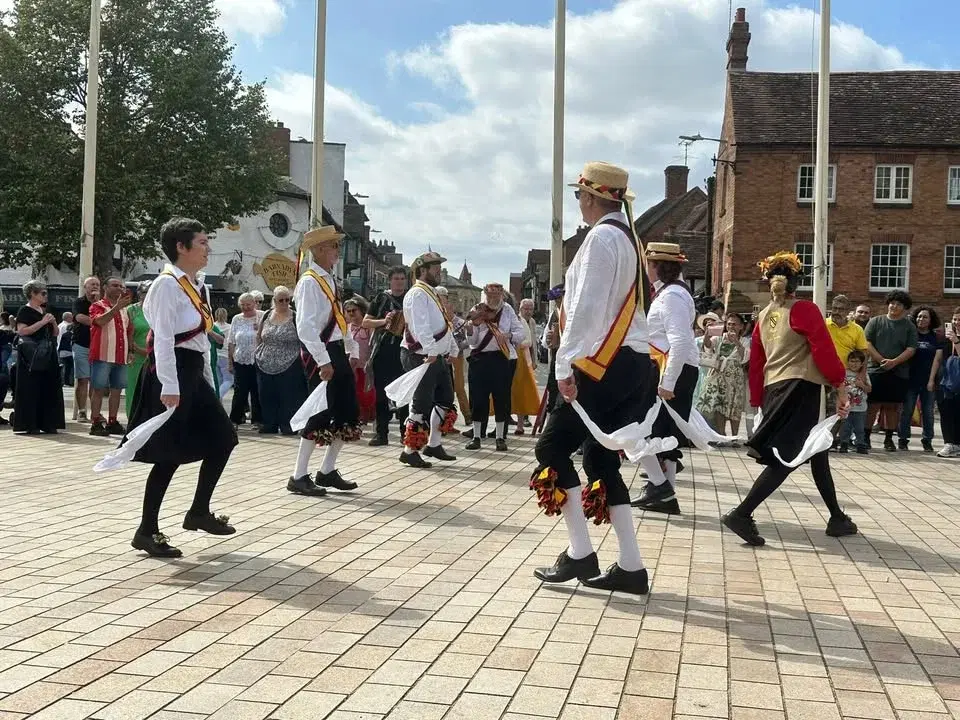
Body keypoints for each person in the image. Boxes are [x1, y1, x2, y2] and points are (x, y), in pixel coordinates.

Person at [531, 161, 656, 595]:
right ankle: (631, 568)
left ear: (590, 198)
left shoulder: (602, 238)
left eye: (578, 196)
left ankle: (581, 553)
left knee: (550, 447)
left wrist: (564, 366)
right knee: (601, 459)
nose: (578, 204)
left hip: (605, 363)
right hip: (633, 364)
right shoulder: (629, 239)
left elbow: (586, 309)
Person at [721, 251, 857, 547]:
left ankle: (836, 516)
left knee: (816, 449)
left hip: (775, 389)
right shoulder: (805, 310)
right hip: (800, 388)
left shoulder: (762, 316)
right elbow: (823, 350)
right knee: (790, 455)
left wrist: (758, 400)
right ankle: (742, 513)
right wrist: (840, 385)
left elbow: (756, 363)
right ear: (797, 283)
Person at [125, 217, 237, 558]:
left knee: (224, 438)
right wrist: (169, 385)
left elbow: (200, 339)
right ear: (181, 247)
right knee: (167, 454)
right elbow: (161, 339)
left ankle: (198, 511)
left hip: (191, 371)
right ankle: (146, 530)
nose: (208, 248)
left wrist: (203, 377)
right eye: (202, 242)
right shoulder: (166, 285)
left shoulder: (196, 286)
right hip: (169, 372)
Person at [287, 226, 361, 496]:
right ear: (318, 249)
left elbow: (340, 320)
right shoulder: (309, 281)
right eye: (333, 246)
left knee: (346, 411)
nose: (338, 252)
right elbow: (305, 326)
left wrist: (351, 349)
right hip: (321, 352)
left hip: (335, 350)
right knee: (319, 413)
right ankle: (298, 475)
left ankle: (327, 470)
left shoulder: (328, 279)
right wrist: (323, 360)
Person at [631, 242, 699, 516]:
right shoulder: (670, 294)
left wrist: (667, 382)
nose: (645, 270)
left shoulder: (671, 296)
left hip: (672, 369)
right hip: (671, 367)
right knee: (664, 434)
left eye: (648, 264)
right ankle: (665, 494)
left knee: (639, 427)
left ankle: (661, 487)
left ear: (659, 266)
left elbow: (680, 342)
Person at [400, 252, 459, 469]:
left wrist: (451, 348)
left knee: (445, 399)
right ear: (422, 270)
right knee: (421, 402)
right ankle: (409, 451)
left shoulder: (431, 294)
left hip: (436, 355)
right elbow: (420, 326)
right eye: (435, 267)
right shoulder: (417, 294)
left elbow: (443, 325)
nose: (439, 271)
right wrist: (432, 351)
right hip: (421, 355)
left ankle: (433, 444)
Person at [465, 283, 527, 452]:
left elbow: (521, 334)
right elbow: (473, 342)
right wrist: (471, 329)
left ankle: (500, 437)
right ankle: (477, 437)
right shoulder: (477, 309)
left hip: (501, 359)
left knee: (502, 398)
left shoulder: (507, 310)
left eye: (496, 296)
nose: (492, 299)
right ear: (485, 295)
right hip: (480, 358)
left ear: (502, 296)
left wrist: (508, 335)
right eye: (489, 296)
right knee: (478, 398)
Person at [864, 291, 918, 451]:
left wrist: (894, 362)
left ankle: (889, 439)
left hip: (898, 372)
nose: (894, 306)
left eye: (899, 304)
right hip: (875, 370)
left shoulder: (909, 326)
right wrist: (881, 360)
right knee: (872, 406)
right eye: (892, 303)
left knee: (892, 408)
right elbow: (866, 343)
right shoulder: (875, 322)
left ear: (904, 308)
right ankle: (865, 437)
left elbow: (911, 348)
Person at [362, 266, 408, 446]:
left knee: (404, 394)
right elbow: (366, 322)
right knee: (381, 393)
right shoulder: (381, 298)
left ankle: (406, 434)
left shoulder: (410, 299)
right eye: (396, 278)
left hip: (405, 351)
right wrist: (385, 321)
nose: (399, 282)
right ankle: (382, 433)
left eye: (402, 278)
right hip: (383, 350)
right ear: (390, 280)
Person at [13, 280, 65, 434]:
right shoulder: (25, 311)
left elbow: (55, 333)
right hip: (32, 354)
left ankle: (48, 422)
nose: (45, 295)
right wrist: (42, 322)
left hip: (48, 351)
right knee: (31, 387)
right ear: (32, 294)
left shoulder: (46, 310)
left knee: (49, 386)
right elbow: (23, 331)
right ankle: (30, 424)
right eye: (42, 293)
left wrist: (53, 323)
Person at [256, 286, 308, 435]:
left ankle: (288, 426)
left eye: (287, 299)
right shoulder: (266, 315)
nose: (284, 302)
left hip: (290, 362)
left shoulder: (295, 317)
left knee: (289, 396)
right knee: (266, 394)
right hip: (264, 362)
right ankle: (269, 424)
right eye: (281, 300)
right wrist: (257, 352)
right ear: (274, 300)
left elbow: (302, 339)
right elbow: (259, 336)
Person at [88, 278, 133, 436]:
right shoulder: (97, 305)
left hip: (120, 355)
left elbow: (129, 331)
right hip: (102, 354)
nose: (119, 288)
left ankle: (112, 421)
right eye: (115, 285)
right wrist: (116, 307)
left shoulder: (124, 310)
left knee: (116, 390)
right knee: (98, 389)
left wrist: (131, 350)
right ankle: (95, 422)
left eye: (121, 286)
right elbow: (99, 321)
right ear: (105, 288)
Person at [697, 311, 748, 441]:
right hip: (719, 375)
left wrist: (737, 342)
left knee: (734, 405)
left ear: (741, 326)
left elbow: (745, 358)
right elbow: (708, 346)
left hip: (735, 377)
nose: (731, 327)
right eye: (729, 324)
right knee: (720, 405)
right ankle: (721, 435)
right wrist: (707, 335)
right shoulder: (719, 338)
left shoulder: (744, 341)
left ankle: (735, 436)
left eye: (735, 324)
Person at [898, 306, 942, 452]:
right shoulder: (910, 334)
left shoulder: (935, 338)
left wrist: (931, 380)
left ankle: (927, 440)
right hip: (910, 380)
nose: (921, 319)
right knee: (907, 411)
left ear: (931, 320)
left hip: (928, 381)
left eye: (925, 317)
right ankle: (903, 439)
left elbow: (937, 360)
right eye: (919, 316)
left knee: (928, 412)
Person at [437, 286, 472, 427]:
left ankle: (467, 415)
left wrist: (456, 347)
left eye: (443, 299)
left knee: (458, 387)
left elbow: (467, 341)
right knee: (442, 388)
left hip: (457, 357)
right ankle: (444, 420)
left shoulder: (458, 322)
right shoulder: (435, 319)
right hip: (440, 356)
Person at [228, 292, 264, 429]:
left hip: (258, 360)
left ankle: (258, 420)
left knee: (257, 391)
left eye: (248, 304)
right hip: (240, 360)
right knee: (239, 391)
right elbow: (231, 341)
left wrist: (260, 328)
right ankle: (235, 420)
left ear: (254, 303)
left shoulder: (262, 315)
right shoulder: (237, 319)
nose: (246, 307)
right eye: (242, 305)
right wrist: (231, 362)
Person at [72, 276, 101, 422]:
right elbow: (79, 318)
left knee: (97, 381)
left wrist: (97, 303)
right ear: (85, 287)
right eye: (92, 284)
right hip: (82, 344)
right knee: (83, 379)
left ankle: (96, 412)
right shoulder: (79, 302)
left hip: (99, 346)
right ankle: (82, 411)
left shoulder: (102, 304)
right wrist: (99, 322)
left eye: (97, 284)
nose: (95, 286)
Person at [932, 308, 960, 459]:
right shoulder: (944, 338)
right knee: (946, 411)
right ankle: (949, 443)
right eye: (955, 319)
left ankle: (957, 443)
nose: (957, 322)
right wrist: (931, 380)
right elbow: (937, 359)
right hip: (946, 380)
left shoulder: (954, 338)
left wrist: (956, 341)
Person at [344, 295, 376, 424]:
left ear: (361, 310)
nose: (351, 313)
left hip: (365, 365)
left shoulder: (368, 326)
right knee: (354, 392)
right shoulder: (345, 327)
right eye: (348, 311)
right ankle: (359, 416)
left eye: (354, 310)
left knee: (367, 393)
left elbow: (373, 344)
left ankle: (370, 414)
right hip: (351, 366)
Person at [126, 283, 152, 420]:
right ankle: (132, 419)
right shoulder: (131, 310)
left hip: (154, 357)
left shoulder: (158, 310)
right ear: (139, 294)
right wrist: (134, 349)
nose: (148, 295)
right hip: (135, 357)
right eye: (145, 292)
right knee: (133, 390)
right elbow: (126, 333)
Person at [837, 350, 871, 454]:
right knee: (845, 428)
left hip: (860, 407)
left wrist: (862, 385)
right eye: (852, 361)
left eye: (857, 361)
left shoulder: (864, 375)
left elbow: (869, 389)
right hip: (847, 407)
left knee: (860, 428)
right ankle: (844, 444)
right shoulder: (844, 373)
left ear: (862, 363)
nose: (854, 364)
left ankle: (860, 444)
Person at [514, 298, 539, 434]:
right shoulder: (516, 320)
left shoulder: (532, 322)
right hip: (514, 359)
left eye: (530, 309)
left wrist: (534, 360)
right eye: (526, 309)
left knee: (524, 389)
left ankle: (523, 419)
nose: (528, 311)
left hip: (526, 359)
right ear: (520, 308)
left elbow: (532, 342)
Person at [213, 308, 232, 397]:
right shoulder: (230, 327)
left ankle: (218, 403)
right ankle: (217, 397)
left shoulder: (213, 326)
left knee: (219, 381)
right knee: (229, 380)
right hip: (225, 355)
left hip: (215, 354)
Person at [58, 312, 74, 387]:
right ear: (67, 318)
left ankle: (63, 381)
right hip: (67, 349)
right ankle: (67, 382)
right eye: (71, 317)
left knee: (62, 366)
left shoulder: (59, 325)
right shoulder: (66, 326)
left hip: (60, 349)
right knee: (68, 367)